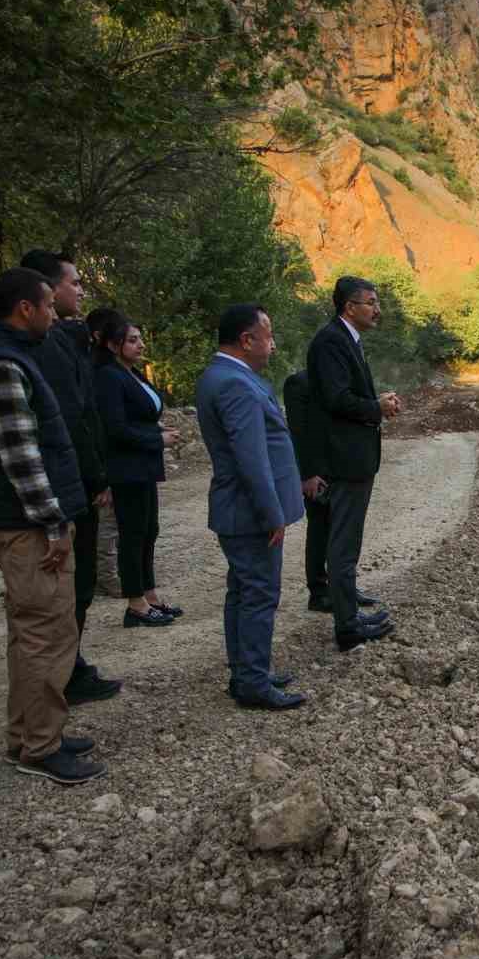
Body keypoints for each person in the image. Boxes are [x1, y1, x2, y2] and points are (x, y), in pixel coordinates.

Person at [0, 267, 107, 784]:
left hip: (23, 521)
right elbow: (20, 456)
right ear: (26, 308)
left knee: (32, 633)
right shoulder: (1, 364)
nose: (51, 315)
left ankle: (30, 734)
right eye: (46, 306)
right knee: (45, 631)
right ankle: (41, 747)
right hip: (28, 525)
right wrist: (54, 522)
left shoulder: (6, 356)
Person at [18, 250, 122, 705]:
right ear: (46, 288)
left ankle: (70, 665)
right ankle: (63, 677)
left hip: (76, 478)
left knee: (74, 591)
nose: (80, 290)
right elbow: (70, 417)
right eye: (73, 282)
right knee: (69, 590)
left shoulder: (60, 339)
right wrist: (95, 476)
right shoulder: (47, 346)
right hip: (69, 484)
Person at [196, 304, 306, 710]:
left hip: (241, 509)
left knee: (242, 592)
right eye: (268, 335)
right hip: (250, 512)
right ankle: (253, 682)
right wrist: (272, 512)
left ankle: (247, 672)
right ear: (246, 340)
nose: (272, 345)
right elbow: (251, 457)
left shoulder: (223, 376)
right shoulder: (235, 384)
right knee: (258, 593)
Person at [306, 276, 402, 652]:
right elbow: (335, 399)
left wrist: (376, 402)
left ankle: (350, 615)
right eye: (371, 303)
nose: (377, 310)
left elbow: (344, 395)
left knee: (346, 542)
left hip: (352, 456)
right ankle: (347, 626)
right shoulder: (331, 341)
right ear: (349, 307)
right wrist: (375, 408)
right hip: (345, 460)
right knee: (343, 545)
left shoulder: (345, 339)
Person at [91, 310, 181, 627]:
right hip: (125, 467)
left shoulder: (132, 373)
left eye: (140, 338)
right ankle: (135, 603)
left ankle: (149, 594)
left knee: (149, 531)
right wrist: (157, 438)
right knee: (133, 534)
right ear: (114, 345)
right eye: (133, 340)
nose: (141, 344)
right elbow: (114, 428)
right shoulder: (107, 376)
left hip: (143, 467)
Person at [282, 369, 333, 611]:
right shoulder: (298, 383)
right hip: (317, 472)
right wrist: (307, 474)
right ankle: (319, 591)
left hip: (345, 468)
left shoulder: (339, 378)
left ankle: (343, 585)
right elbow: (298, 432)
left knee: (342, 532)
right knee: (320, 530)